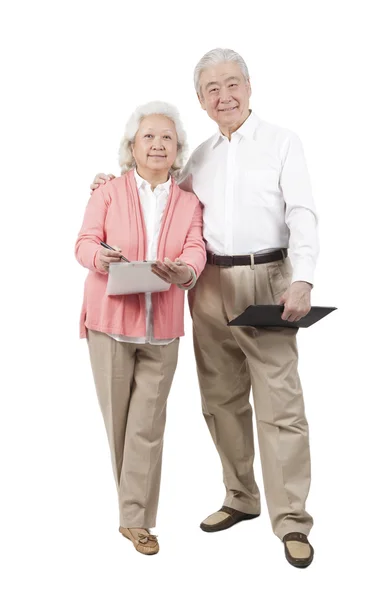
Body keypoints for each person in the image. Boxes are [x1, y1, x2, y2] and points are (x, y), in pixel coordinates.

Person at [91, 48, 319, 568]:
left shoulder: (283, 143)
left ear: (249, 85)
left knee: (280, 403)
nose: (225, 96)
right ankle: (240, 497)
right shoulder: (201, 157)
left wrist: (303, 278)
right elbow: (162, 191)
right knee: (220, 398)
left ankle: (291, 522)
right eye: (212, 89)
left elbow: (303, 212)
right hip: (207, 281)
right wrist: (111, 182)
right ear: (201, 100)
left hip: (268, 278)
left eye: (232, 83)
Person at [75, 101, 206, 555]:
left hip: (163, 326)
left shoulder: (189, 202)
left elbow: (196, 250)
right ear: (132, 146)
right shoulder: (107, 191)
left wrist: (185, 271)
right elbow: (84, 242)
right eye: (148, 136)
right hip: (109, 323)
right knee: (120, 423)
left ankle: (135, 519)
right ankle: (132, 511)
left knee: (147, 425)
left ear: (178, 149)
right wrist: (100, 257)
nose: (157, 144)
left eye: (166, 137)